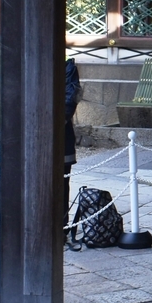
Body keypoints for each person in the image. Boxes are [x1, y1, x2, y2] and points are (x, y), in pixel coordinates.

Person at [64, 58, 83, 242]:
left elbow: (71, 97)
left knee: (61, 184)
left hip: (61, 135)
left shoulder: (68, 68)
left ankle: (60, 228)